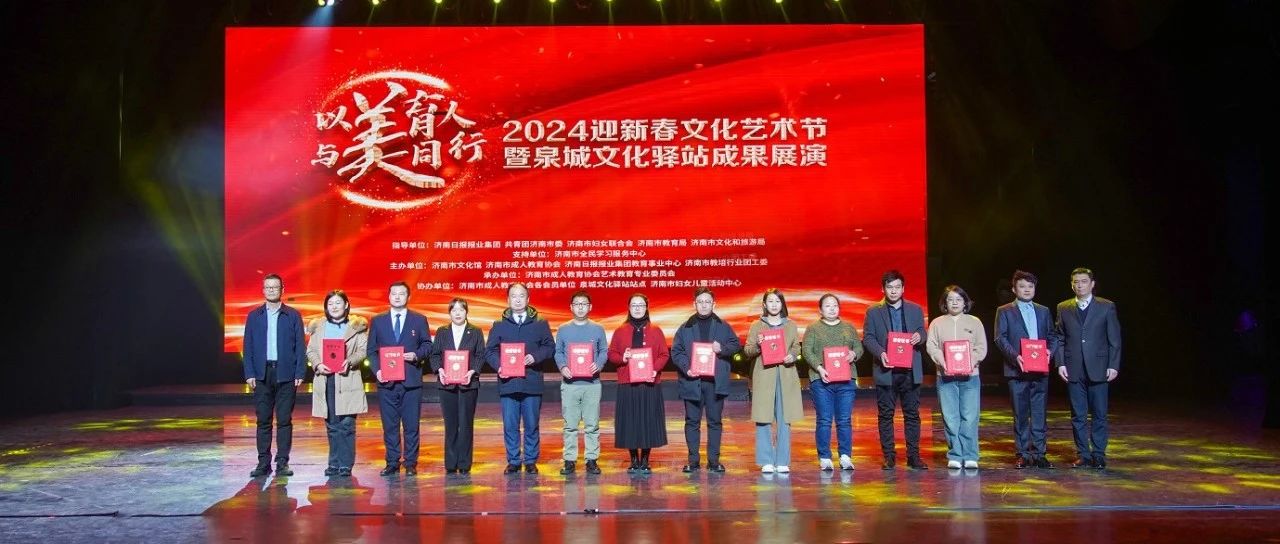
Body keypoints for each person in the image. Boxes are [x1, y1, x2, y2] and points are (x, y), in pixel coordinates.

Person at [1054, 267, 1121, 469]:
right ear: (1071, 285)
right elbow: (1059, 337)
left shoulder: (1106, 306)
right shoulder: (1063, 307)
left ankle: (1098, 454)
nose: (1080, 285)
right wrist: (1060, 363)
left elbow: (1114, 339)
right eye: (1076, 282)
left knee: (1099, 413)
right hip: (1073, 367)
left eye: (1084, 281)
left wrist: (1113, 365)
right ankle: (1083, 454)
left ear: (1092, 284)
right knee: (1078, 414)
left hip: (1099, 367)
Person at [862, 270, 929, 470]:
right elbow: (868, 338)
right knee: (885, 415)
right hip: (886, 370)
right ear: (883, 289)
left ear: (903, 288)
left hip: (910, 370)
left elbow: (922, 331)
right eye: (889, 287)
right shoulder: (873, 311)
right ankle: (889, 456)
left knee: (912, 415)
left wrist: (920, 337)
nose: (893, 291)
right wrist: (880, 352)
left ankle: (913, 457)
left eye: (897, 287)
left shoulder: (915, 309)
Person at [670, 287, 742, 473]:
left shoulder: (723, 326)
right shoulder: (685, 327)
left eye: (707, 302)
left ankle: (714, 461)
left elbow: (735, 344)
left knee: (715, 422)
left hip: (715, 383)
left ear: (714, 304)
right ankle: (693, 461)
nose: (704, 305)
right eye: (700, 302)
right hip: (692, 381)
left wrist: (722, 349)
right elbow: (676, 351)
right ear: (694, 304)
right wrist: (687, 367)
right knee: (692, 422)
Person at [485, 283, 555, 475]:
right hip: (508, 382)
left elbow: (550, 347)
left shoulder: (540, 324)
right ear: (508, 300)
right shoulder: (499, 325)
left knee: (532, 424)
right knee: (510, 425)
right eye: (514, 296)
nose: (517, 300)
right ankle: (514, 460)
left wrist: (535, 357)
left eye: (521, 295)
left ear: (528, 299)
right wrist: (499, 366)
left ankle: (531, 460)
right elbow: (489, 351)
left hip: (531, 381)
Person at [242, 273, 307, 478]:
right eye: (268, 287)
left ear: (282, 290)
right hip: (262, 374)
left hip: (286, 373)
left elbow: (300, 346)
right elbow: (248, 346)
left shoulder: (293, 315)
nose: (271, 290)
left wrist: (300, 371)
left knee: (284, 420)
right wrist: (249, 372)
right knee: (263, 420)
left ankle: (282, 463)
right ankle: (263, 463)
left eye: (275, 287)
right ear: (263, 290)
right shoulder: (254, 316)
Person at [993, 270, 1058, 469]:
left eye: (1030, 286)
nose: (1027, 290)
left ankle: (1039, 453)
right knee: (1020, 414)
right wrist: (1016, 357)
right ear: (1014, 289)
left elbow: (1052, 335)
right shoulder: (1004, 310)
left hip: (1040, 369)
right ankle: (1022, 453)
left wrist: (1049, 352)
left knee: (1039, 413)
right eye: (1022, 286)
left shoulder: (1043, 310)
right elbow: (1000, 338)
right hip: (1017, 370)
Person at [367, 281, 432, 476]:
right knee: (390, 425)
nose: (397, 297)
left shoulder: (419, 320)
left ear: (408, 297)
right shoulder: (378, 321)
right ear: (388, 296)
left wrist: (416, 355)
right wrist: (377, 370)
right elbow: (371, 351)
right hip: (386, 382)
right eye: (393, 293)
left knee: (411, 425)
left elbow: (427, 345)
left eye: (401, 293)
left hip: (411, 381)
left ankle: (410, 462)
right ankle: (392, 462)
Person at [306, 289, 369, 478]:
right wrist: (318, 364)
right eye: (330, 304)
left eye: (338, 303)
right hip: (326, 380)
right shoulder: (319, 327)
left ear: (346, 305)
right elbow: (311, 351)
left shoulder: (357, 327)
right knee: (332, 424)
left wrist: (350, 361)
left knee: (347, 424)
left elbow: (363, 350)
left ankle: (346, 464)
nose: (334, 307)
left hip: (348, 378)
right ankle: (333, 463)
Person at [742, 288, 803, 474]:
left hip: (786, 375)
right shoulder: (757, 325)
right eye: (770, 301)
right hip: (764, 375)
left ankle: (782, 460)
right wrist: (759, 345)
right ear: (764, 304)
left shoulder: (790, 325)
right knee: (763, 417)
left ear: (782, 304)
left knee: (785, 418)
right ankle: (766, 460)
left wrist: (792, 356)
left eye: (777, 301)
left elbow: (796, 348)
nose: (774, 305)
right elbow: (748, 350)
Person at [926, 285, 987, 470]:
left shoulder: (975, 322)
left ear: (965, 302)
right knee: (950, 417)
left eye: (959, 299)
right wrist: (942, 361)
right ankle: (955, 454)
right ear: (945, 303)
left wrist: (971, 361)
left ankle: (970, 455)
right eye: (950, 299)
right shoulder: (937, 323)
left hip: (970, 376)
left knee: (969, 416)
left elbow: (981, 347)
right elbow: (932, 346)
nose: (954, 303)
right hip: (945, 376)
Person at [607, 293, 670, 474]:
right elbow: (612, 354)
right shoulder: (620, 331)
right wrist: (623, 357)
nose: (637, 308)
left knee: (648, 420)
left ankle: (646, 459)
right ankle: (634, 458)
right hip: (627, 383)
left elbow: (664, 354)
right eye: (634, 305)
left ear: (646, 308)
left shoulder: (656, 330)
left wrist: (654, 370)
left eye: (641, 305)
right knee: (630, 421)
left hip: (649, 383)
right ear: (629, 308)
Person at [801, 293, 864, 471]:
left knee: (844, 420)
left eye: (835, 305)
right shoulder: (813, 328)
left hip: (846, 381)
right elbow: (807, 351)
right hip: (822, 380)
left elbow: (858, 347)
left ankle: (845, 456)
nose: (832, 308)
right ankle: (825, 457)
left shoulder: (848, 327)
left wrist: (854, 354)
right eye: (827, 306)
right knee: (824, 420)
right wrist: (819, 368)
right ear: (820, 310)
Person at [553, 290, 608, 475]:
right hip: (570, 385)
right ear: (571, 307)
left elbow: (604, 351)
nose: (580, 307)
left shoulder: (598, 329)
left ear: (590, 307)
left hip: (592, 384)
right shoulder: (563, 329)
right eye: (577, 304)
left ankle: (591, 460)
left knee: (592, 425)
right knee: (570, 425)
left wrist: (598, 364)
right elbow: (558, 352)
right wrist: (562, 367)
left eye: (584, 304)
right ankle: (569, 460)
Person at [428, 298, 485, 475]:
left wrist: (473, 371)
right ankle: (451, 463)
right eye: (454, 310)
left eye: (461, 310)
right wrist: (439, 370)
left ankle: (465, 463)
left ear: (466, 312)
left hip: (469, 384)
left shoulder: (475, 331)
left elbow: (480, 355)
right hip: (447, 384)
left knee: (466, 424)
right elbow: (434, 355)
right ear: (449, 313)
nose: (458, 313)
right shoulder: (442, 331)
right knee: (450, 424)